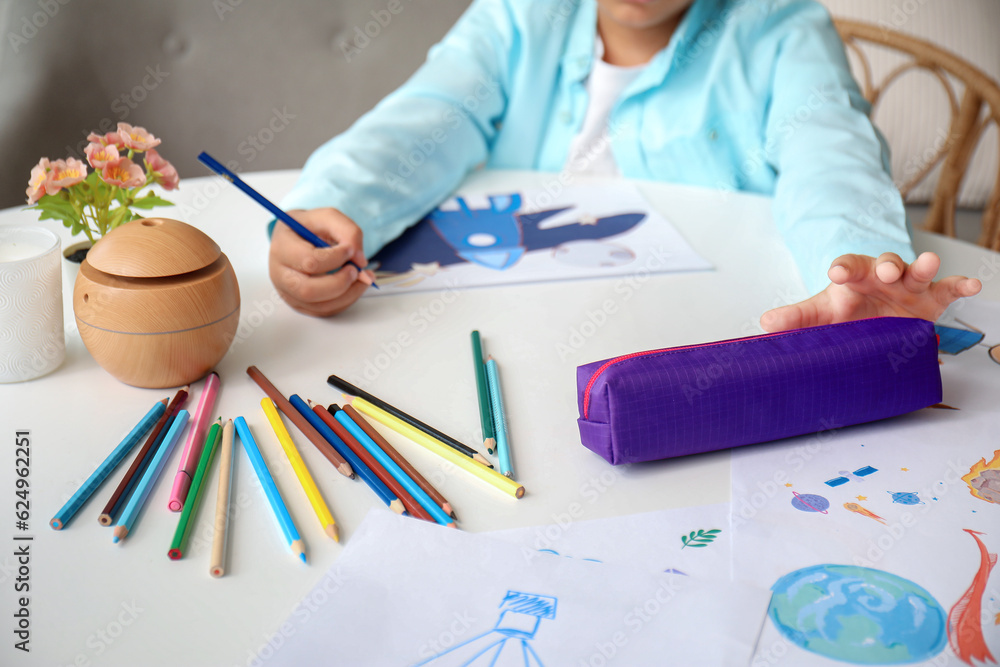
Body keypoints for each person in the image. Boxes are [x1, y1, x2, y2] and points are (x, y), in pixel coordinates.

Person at [270, 0, 980, 325]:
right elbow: (427, 118)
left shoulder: (778, 26)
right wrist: (335, 207)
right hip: (510, 326)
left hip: (701, 327)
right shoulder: (516, 17)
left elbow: (831, 152)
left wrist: (856, 260)